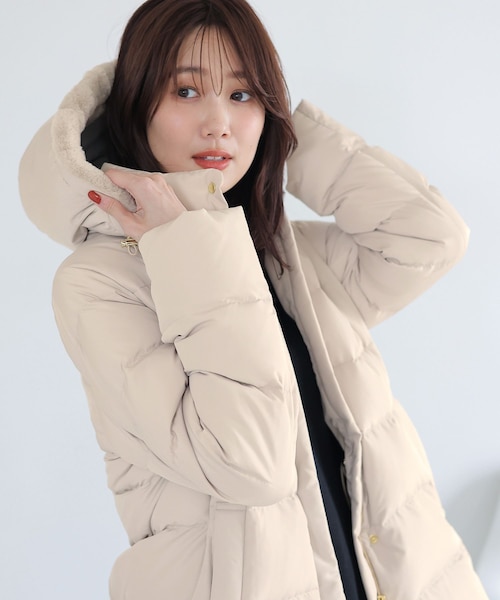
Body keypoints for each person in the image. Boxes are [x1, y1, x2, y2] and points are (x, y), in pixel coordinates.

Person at [19, 1, 487, 599]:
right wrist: (185, 243)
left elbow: (430, 237)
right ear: (134, 104)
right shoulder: (98, 285)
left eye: (242, 95)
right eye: (186, 91)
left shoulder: (287, 257)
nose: (219, 123)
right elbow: (249, 462)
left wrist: (281, 141)